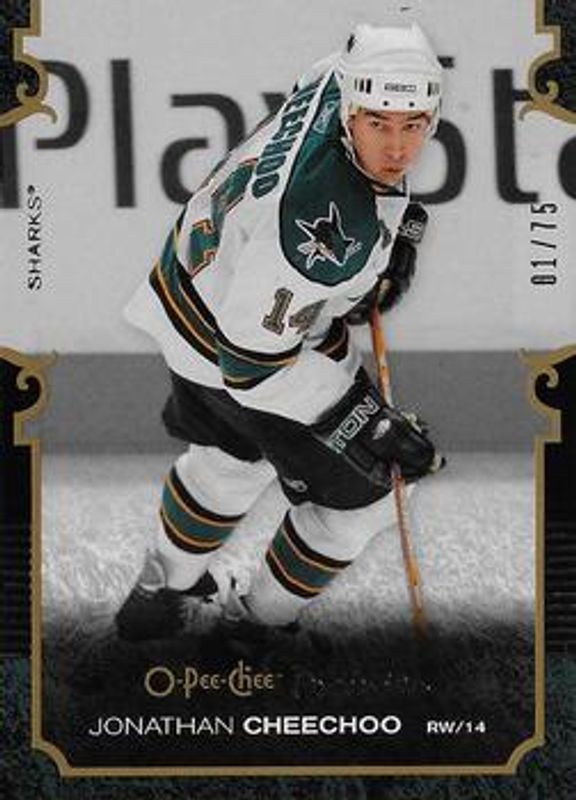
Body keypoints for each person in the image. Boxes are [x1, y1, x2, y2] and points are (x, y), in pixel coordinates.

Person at [117, 22, 445, 646]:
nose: (397, 148)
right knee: (373, 497)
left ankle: (160, 591)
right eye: (379, 124)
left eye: (414, 124)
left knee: (228, 463)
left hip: (189, 291)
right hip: (241, 350)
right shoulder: (323, 230)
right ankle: (256, 630)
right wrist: (363, 421)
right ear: (353, 111)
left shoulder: (333, 76)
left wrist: (378, 254)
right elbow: (252, 369)